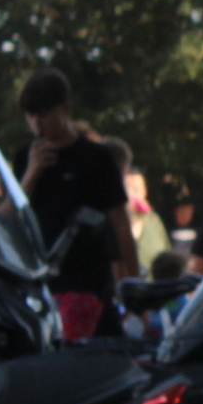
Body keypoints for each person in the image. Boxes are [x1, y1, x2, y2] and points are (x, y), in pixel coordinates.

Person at [13, 68, 136, 338]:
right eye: (30, 115)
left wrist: (133, 282)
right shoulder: (25, 157)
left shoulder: (96, 159)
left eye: (44, 113)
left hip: (89, 282)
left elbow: (120, 221)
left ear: (65, 109)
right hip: (41, 284)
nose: (37, 123)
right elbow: (7, 217)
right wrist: (31, 175)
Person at [99, 138, 170, 267]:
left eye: (138, 190)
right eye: (130, 189)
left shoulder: (153, 221)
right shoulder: (101, 218)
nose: (135, 196)